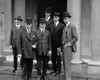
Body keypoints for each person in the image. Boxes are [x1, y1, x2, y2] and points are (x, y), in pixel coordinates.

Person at [62, 12, 78, 80]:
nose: (64, 20)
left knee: (67, 64)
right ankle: (66, 78)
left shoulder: (72, 26)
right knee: (65, 64)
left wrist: (69, 44)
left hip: (68, 47)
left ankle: (68, 78)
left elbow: (75, 38)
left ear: (68, 18)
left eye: (66, 18)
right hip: (64, 46)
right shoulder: (64, 27)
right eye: (63, 19)